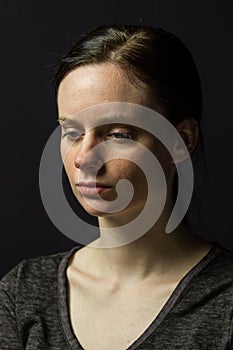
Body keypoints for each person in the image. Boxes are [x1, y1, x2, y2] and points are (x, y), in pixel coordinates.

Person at [0, 24, 233, 350]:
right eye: (72, 132)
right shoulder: (21, 295)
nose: (84, 158)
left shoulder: (225, 305)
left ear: (182, 141)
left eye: (118, 134)